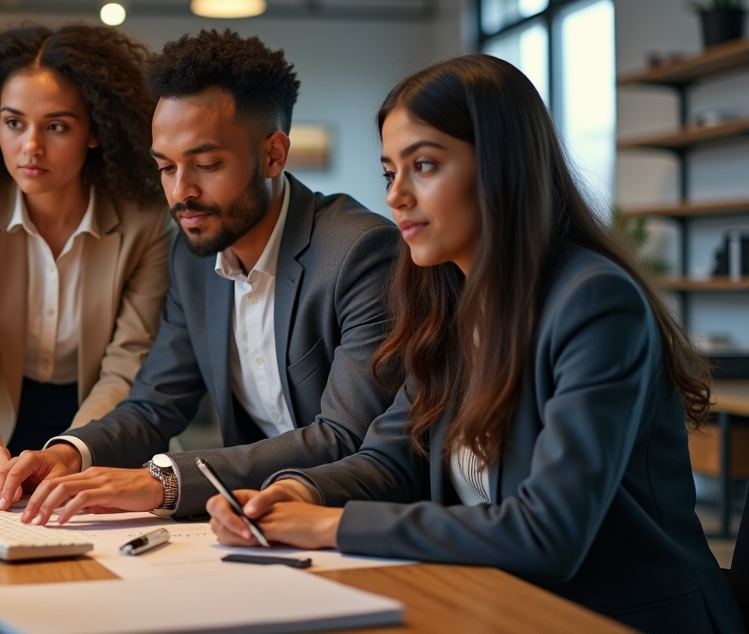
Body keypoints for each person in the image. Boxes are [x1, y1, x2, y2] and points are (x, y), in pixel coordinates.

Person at [206, 54, 742, 634]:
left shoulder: (594, 304)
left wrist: (328, 526)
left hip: (617, 617)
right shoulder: (454, 305)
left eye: (425, 165)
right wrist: (294, 492)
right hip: (497, 603)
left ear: (502, 168)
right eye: (391, 173)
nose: (396, 197)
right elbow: (390, 458)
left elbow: (548, 533)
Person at [0, 29, 400, 522]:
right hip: (249, 527)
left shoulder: (360, 253)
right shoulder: (196, 258)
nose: (181, 193)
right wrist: (68, 454)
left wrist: (162, 480)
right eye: (166, 167)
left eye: (205, 164)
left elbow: (344, 437)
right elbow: (155, 404)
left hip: (349, 526)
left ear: (273, 155)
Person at [0, 24, 172, 503]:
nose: (30, 146)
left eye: (56, 126)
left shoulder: (146, 220)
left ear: (95, 131)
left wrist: (71, 451)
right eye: (13, 122)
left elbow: (127, 364)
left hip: (97, 432)